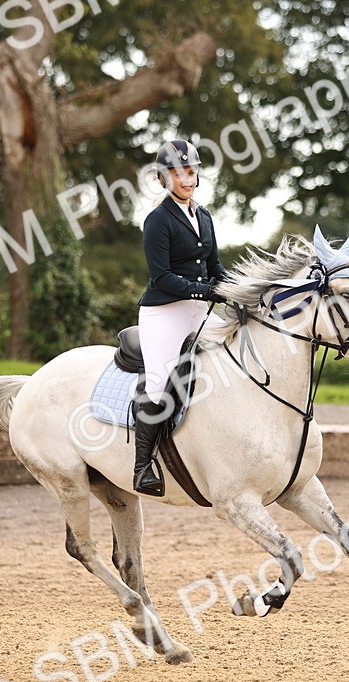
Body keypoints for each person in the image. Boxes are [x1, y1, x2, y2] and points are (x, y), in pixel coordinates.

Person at [132, 139, 227, 496]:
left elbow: (215, 267)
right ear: (163, 178)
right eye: (177, 173)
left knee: (239, 354)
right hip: (164, 312)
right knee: (159, 384)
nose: (186, 179)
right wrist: (206, 291)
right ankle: (143, 467)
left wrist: (240, 290)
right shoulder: (158, 219)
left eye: (190, 172)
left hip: (199, 311)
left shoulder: (204, 216)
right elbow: (162, 277)